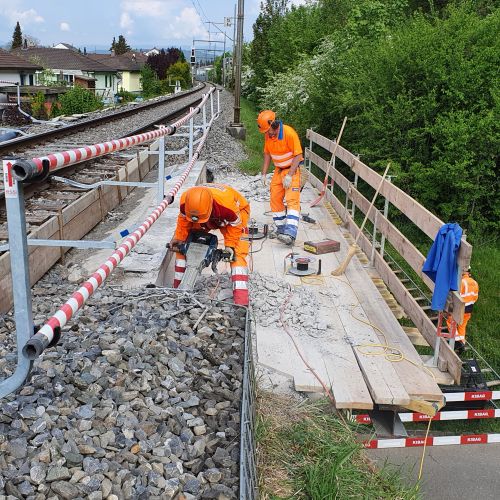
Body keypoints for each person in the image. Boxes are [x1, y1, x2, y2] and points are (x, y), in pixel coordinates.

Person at [169, 184, 250, 306]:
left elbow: (235, 225)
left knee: (237, 252)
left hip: (234, 217)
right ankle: (178, 290)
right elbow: (184, 219)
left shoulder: (227, 206)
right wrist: (179, 238)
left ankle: (241, 300)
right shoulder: (186, 201)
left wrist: (230, 245)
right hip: (203, 214)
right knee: (183, 246)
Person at [257, 110, 303, 245]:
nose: (266, 134)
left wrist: (289, 175)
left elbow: (298, 155)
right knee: (275, 199)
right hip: (278, 171)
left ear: (273, 124)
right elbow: (267, 154)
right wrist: (264, 173)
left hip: (291, 171)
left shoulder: (289, 133)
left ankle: (290, 234)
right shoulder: (269, 135)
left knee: (292, 200)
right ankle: (281, 229)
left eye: (267, 130)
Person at [447, 267, 479, 353]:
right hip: (469, 309)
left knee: (451, 322)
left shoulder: (461, 282)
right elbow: (475, 297)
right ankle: (462, 343)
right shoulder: (475, 283)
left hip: (461, 308)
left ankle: (457, 342)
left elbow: (456, 295)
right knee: (462, 325)